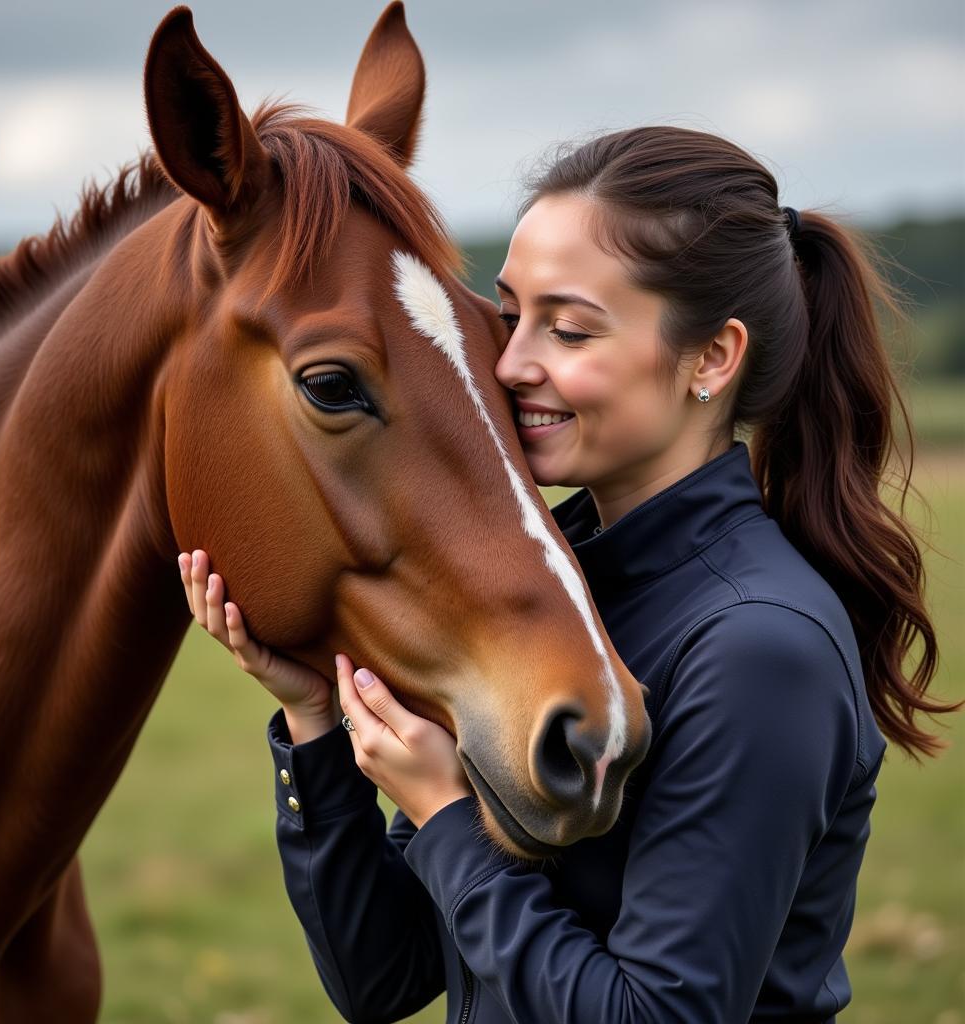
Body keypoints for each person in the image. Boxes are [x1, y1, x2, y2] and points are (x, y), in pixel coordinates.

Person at [177, 126, 951, 1023]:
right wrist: (315, 718)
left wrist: (443, 817)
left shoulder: (758, 648)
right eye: (510, 316)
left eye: (570, 329)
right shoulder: (550, 590)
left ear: (712, 358)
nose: (510, 363)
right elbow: (381, 978)